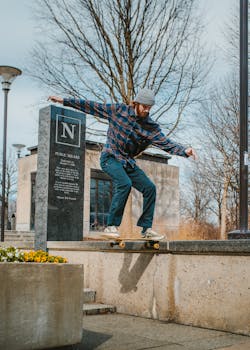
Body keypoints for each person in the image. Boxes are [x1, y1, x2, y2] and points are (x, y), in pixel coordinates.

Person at [48, 88, 197, 240]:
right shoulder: (118, 110)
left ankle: (146, 230)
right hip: (110, 158)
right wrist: (64, 101)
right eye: (144, 106)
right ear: (136, 103)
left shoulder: (150, 127)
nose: (146, 110)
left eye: (149, 107)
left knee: (149, 188)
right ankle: (111, 226)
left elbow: (166, 143)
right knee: (124, 184)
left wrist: (184, 150)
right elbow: (91, 106)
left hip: (127, 163)